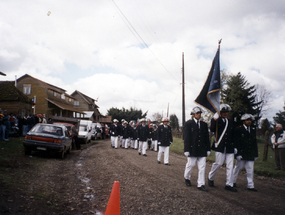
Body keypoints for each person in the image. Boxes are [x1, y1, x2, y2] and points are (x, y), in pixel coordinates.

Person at [208, 104, 237, 192]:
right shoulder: (217, 121)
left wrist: (235, 146)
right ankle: (211, 177)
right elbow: (212, 129)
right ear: (220, 112)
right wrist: (214, 119)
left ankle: (229, 184)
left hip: (229, 147)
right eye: (223, 112)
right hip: (220, 145)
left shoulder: (230, 122)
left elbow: (233, 135)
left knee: (230, 166)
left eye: (226, 112)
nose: (225, 113)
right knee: (218, 163)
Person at [184, 107, 210, 191]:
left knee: (202, 167)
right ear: (193, 114)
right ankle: (187, 177)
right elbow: (187, 137)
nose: (199, 114)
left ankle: (201, 184)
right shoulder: (188, 124)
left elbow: (207, 137)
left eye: (200, 113)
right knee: (191, 165)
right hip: (192, 148)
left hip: (202, 149)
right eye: (198, 113)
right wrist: (186, 149)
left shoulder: (204, 125)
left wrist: (208, 148)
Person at [233, 114, 258, 191]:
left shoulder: (253, 130)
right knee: (237, 169)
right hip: (242, 153)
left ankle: (250, 185)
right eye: (247, 120)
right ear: (243, 121)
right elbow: (236, 142)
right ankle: (232, 181)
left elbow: (254, 143)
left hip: (250, 153)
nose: (249, 121)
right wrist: (237, 154)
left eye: (250, 120)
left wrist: (255, 154)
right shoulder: (238, 130)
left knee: (250, 170)